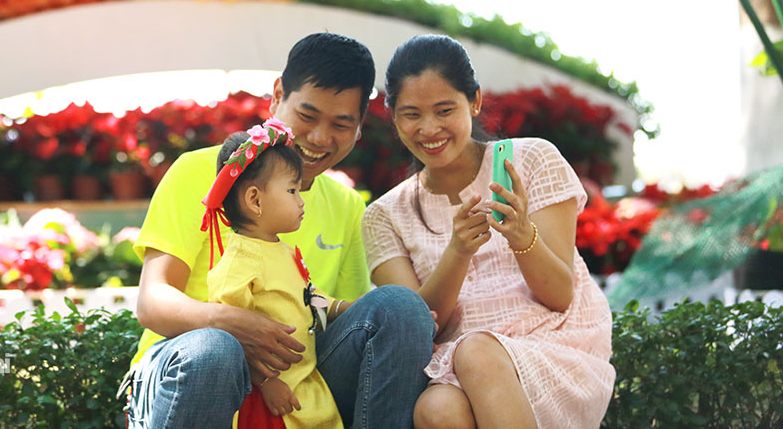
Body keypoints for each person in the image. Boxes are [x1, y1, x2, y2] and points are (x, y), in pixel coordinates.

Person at [126, 32, 435, 429]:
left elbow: (335, 318)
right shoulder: (201, 172)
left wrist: (411, 320)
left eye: (341, 123)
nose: (320, 137)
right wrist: (231, 324)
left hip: (293, 382)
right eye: (307, 116)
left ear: (359, 128)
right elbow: (152, 303)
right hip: (185, 370)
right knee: (216, 350)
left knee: (400, 306)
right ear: (277, 96)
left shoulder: (346, 205)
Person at [362, 34, 615, 429]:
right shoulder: (384, 215)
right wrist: (458, 252)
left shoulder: (532, 160)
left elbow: (560, 295)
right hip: (455, 364)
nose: (429, 128)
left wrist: (522, 236)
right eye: (411, 114)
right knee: (436, 410)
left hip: (552, 340)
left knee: (477, 351)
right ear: (393, 117)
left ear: (475, 101)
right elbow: (417, 326)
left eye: (444, 110)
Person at [205, 121, 351, 426]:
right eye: (292, 190)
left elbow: (307, 298)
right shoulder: (237, 266)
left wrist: (343, 308)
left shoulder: (282, 250)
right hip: (270, 400)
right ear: (255, 200)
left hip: (307, 385)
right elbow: (230, 340)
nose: (301, 201)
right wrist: (266, 382)